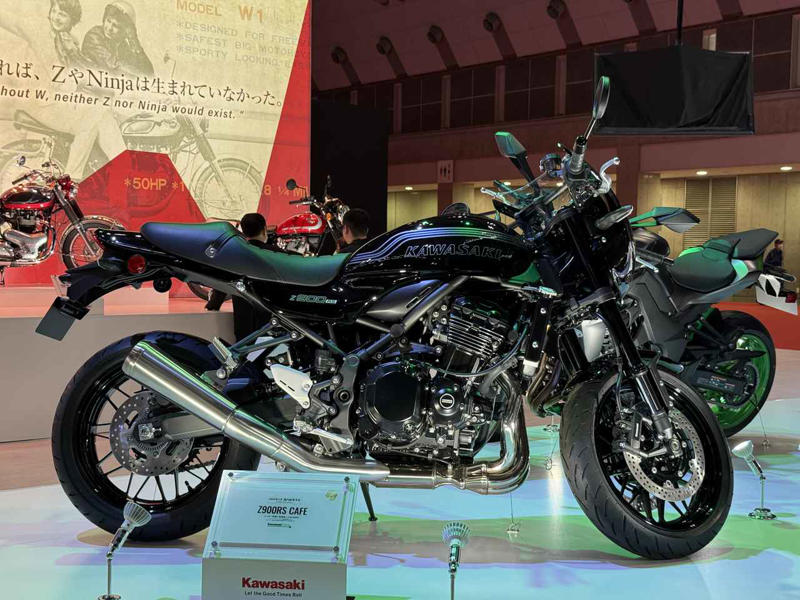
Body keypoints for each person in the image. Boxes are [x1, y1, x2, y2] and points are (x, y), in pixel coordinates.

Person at [205, 214, 272, 340]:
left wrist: (213, 304)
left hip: (244, 325)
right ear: (264, 229)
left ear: (242, 231)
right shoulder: (276, 254)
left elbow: (223, 283)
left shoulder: (235, 255)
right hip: (271, 324)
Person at [82, 1, 154, 76]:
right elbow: (113, 66)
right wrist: (141, 75)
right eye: (108, 21)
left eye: (115, 26)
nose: (109, 28)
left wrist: (134, 40)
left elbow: (149, 71)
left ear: (124, 30)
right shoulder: (94, 35)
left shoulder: (121, 44)